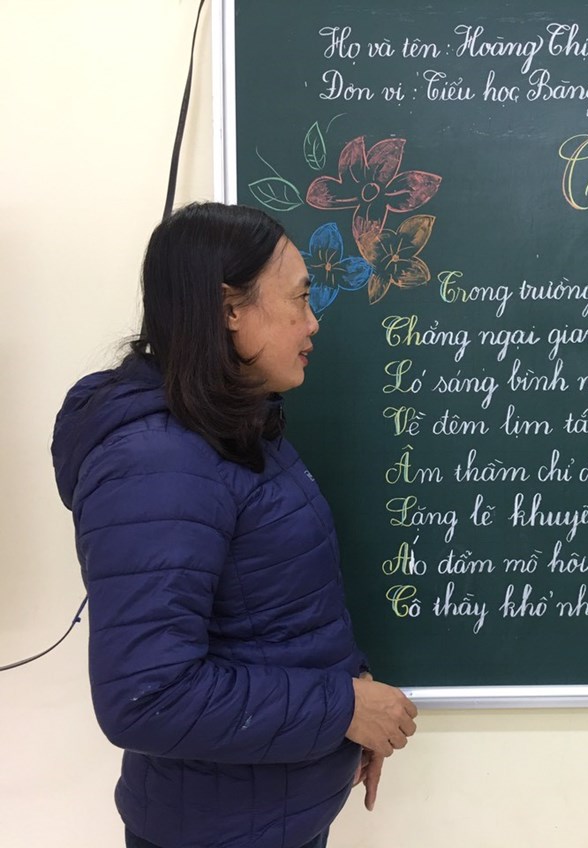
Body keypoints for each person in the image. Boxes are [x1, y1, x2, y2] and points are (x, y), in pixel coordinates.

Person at [51, 202, 418, 848]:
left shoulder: (233, 428)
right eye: (299, 298)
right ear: (229, 310)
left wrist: (349, 704)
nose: (314, 321)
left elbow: (275, 618)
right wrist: (342, 709)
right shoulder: (158, 461)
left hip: (267, 819)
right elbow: (147, 697)